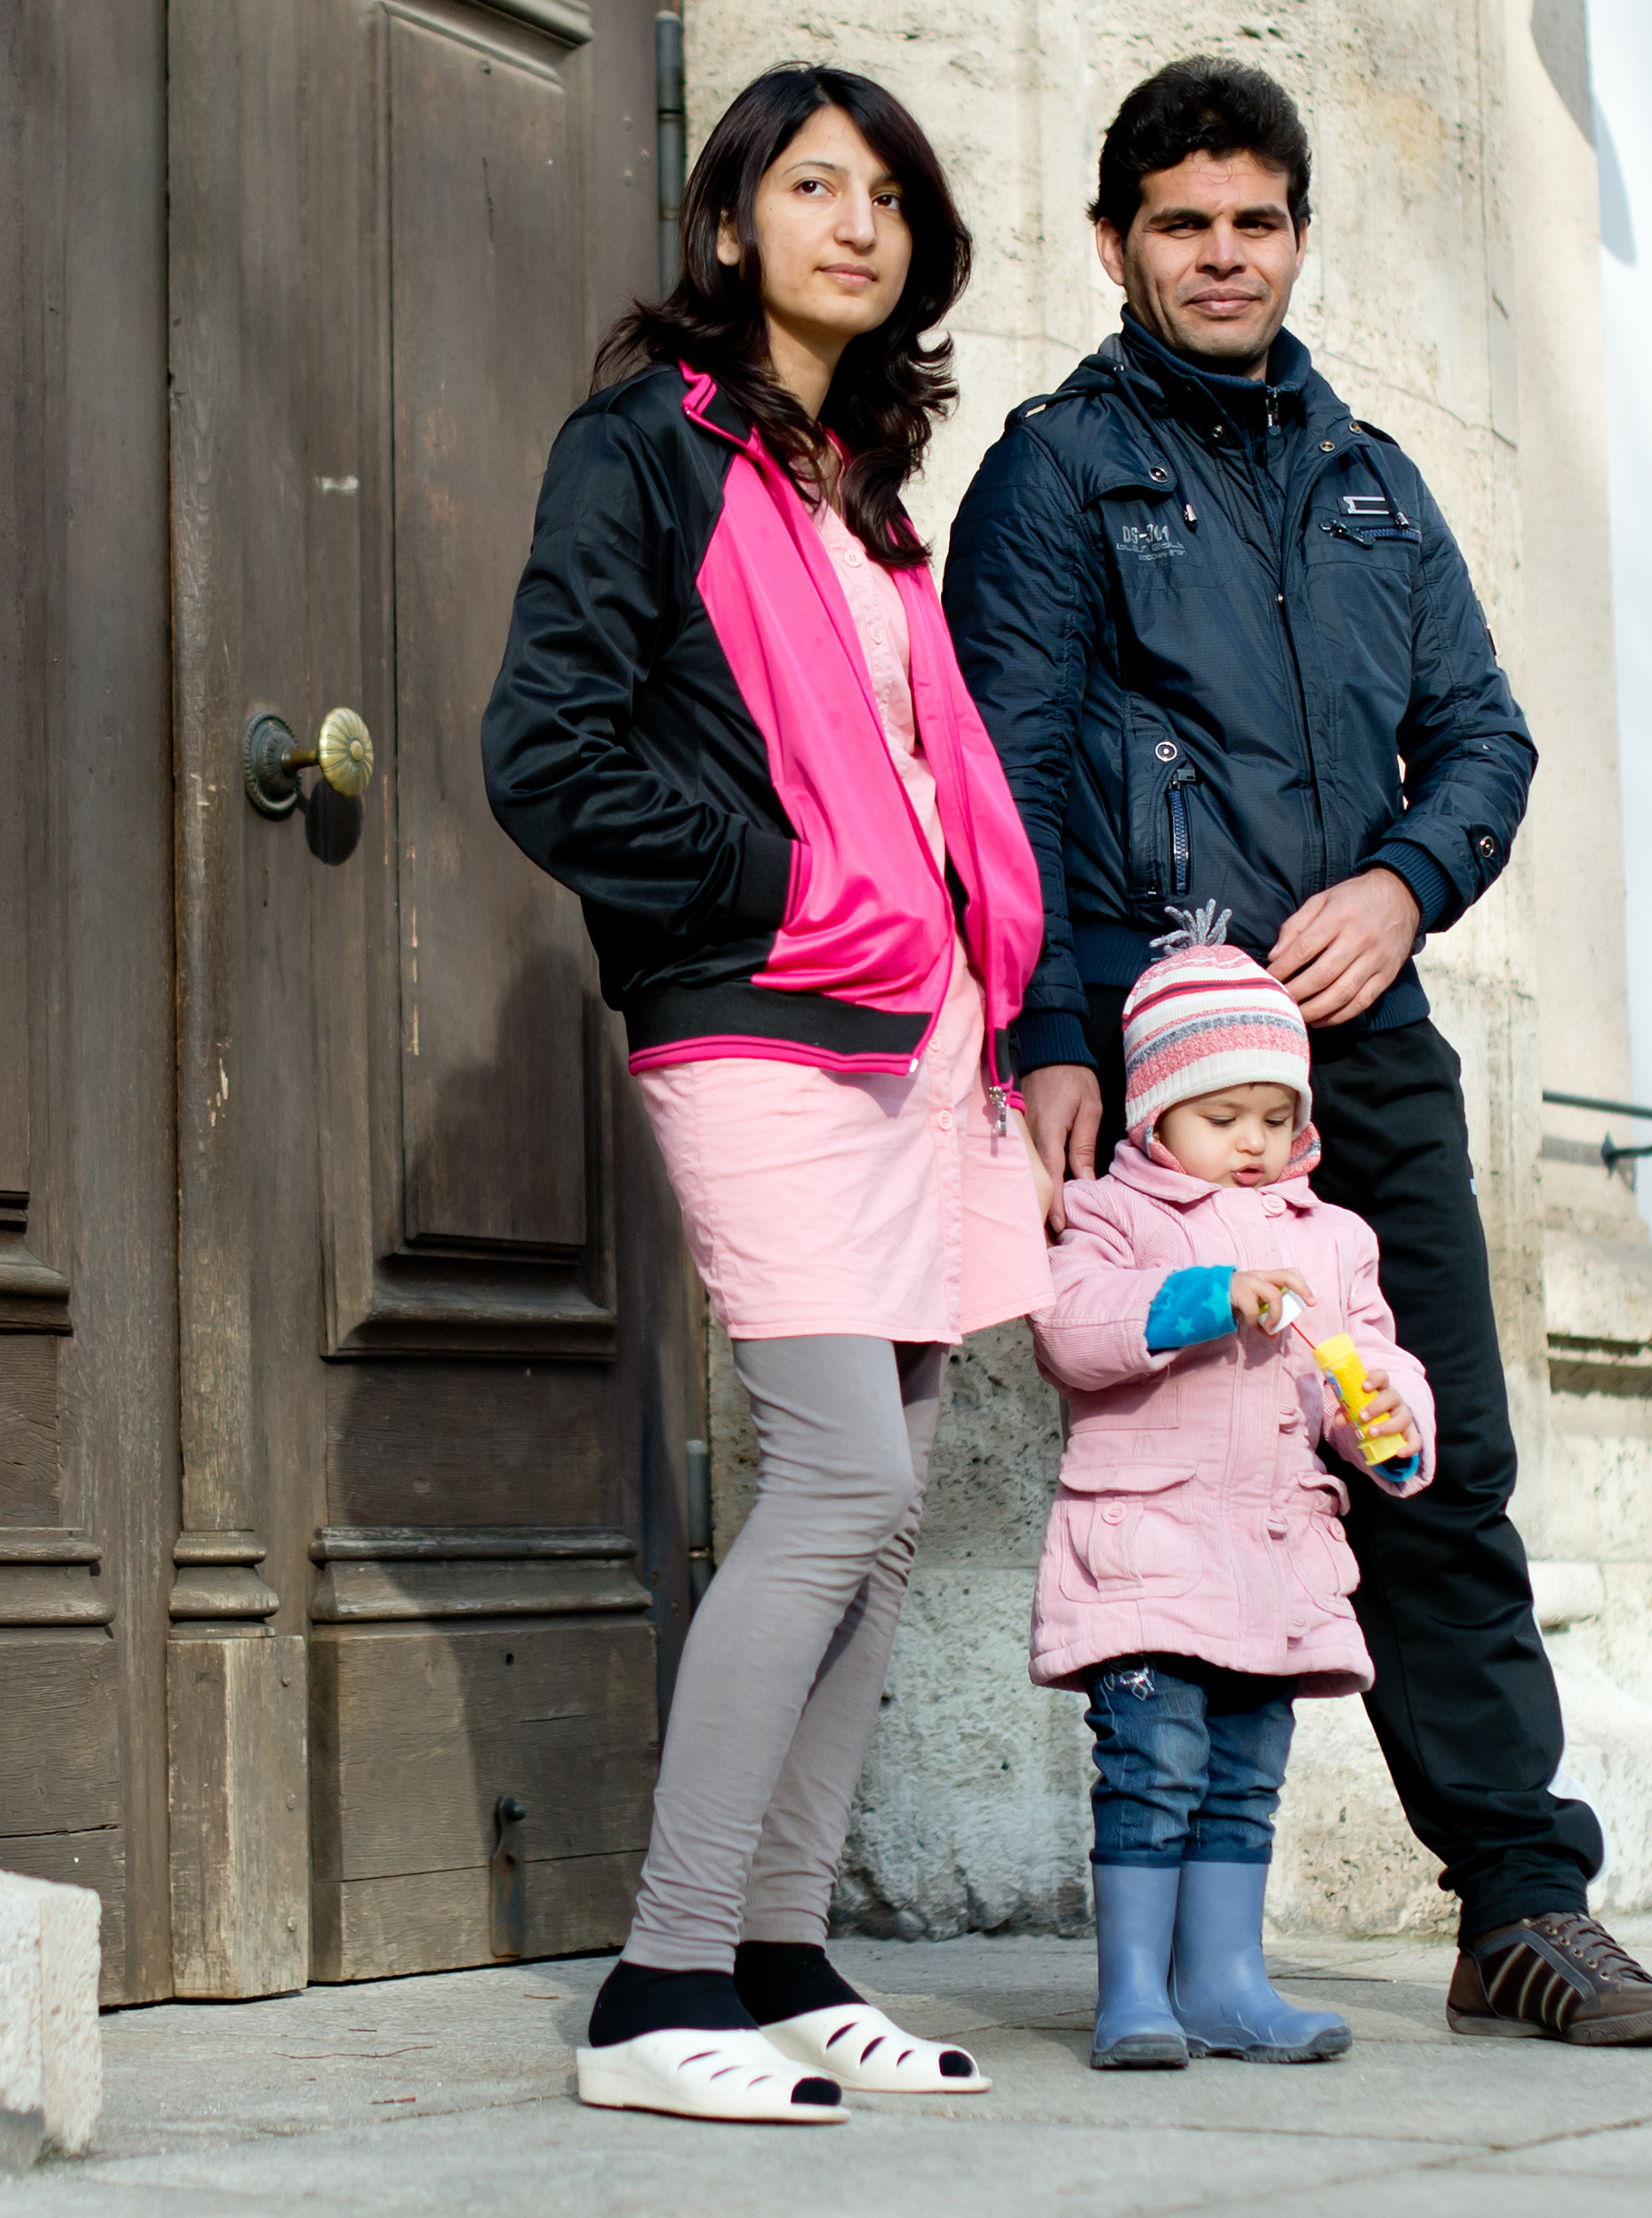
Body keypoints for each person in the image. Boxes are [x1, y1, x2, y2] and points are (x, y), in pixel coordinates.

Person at [946, 55, 1652, 2046]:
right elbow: (1007, 766)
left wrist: (1401, 883)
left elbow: (1483, 734)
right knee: (1174, 1466)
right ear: (1113, 242)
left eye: (1254, 221)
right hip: (1144, 1041)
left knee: (1427, 1452)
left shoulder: (1373, 478)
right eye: (1180, 223)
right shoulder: (1052, 470)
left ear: (1295, 236)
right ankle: (1179, 1941)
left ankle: (1517, 1909)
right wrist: (1046, 1032)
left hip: (1349, 1047)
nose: (1220, 256)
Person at [479, 63, 1055, 2125]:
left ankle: (787, 1951)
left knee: (885, 1518)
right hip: (757, 1011)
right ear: (730, 224)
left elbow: (925, 784)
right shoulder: (648, 445)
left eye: (888, 193)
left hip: (917, 1036)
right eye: (814, 184)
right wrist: (780, 877)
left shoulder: (864, 497)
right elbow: (545, 752)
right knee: (837, 1480)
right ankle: (657, 1984)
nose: (856, 221)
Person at [1030, 913, 1434, 2072]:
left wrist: (1387, 1422)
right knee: (1151, 1768)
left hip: (1273, 1562)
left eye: (1276, 1117)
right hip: (1150, 1553)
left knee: (1247, 1777)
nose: (1254, 1143)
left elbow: (1370, 1360)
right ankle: (1132, 1995)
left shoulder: (1336, 1240)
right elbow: (1070, 1330)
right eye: (1223, 1119)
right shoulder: (1111, 1213)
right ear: (1156, 1109)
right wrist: (1208, 1297)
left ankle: (1223, 1981)